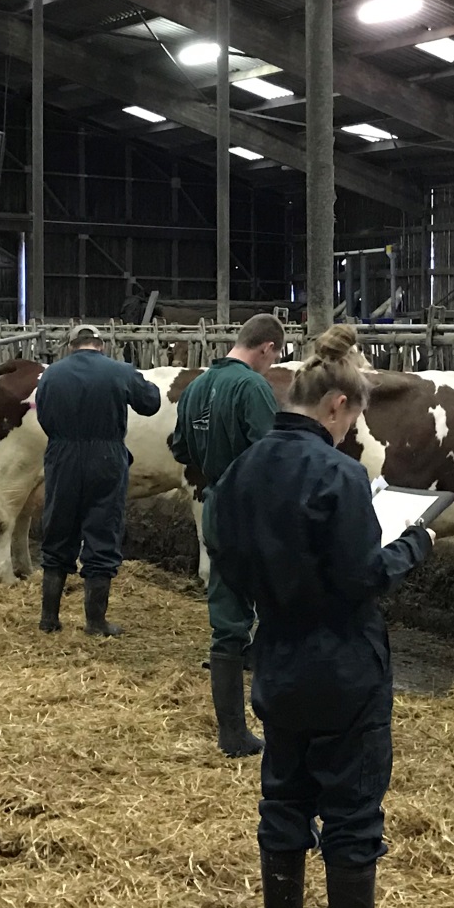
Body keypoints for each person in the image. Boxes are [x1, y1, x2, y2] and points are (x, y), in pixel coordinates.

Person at [205, 323, 433, 908]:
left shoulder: (240, 471)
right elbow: (361, 577)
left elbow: (218, 544)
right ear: (337, 404)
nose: (348, 432)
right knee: (352, 819)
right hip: (343, 669)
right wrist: (414, 544)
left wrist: (270, 588)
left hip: (276, 655)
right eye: (351, 420)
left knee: (282, 803)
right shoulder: (340, 476)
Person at [169, 313, 286, 758]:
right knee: (277, 599)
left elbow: (180, 448)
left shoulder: (196, 386)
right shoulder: (253, 387)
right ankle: (261, 721)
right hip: (250, 508)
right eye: (275, 357)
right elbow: (268, 451)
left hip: (215, 503)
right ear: (268, 348)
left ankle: (232, 732)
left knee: (226, 615)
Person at [35, 324, 161, 636]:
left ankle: (49, 619)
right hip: (106, 458)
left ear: (70, 345)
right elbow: (151, 403)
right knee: (102, 531)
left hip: (62, 456)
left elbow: (43, 416)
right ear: (100, 344)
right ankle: (95, 622)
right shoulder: (119, 370)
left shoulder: (51, 374)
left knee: (58, 531)